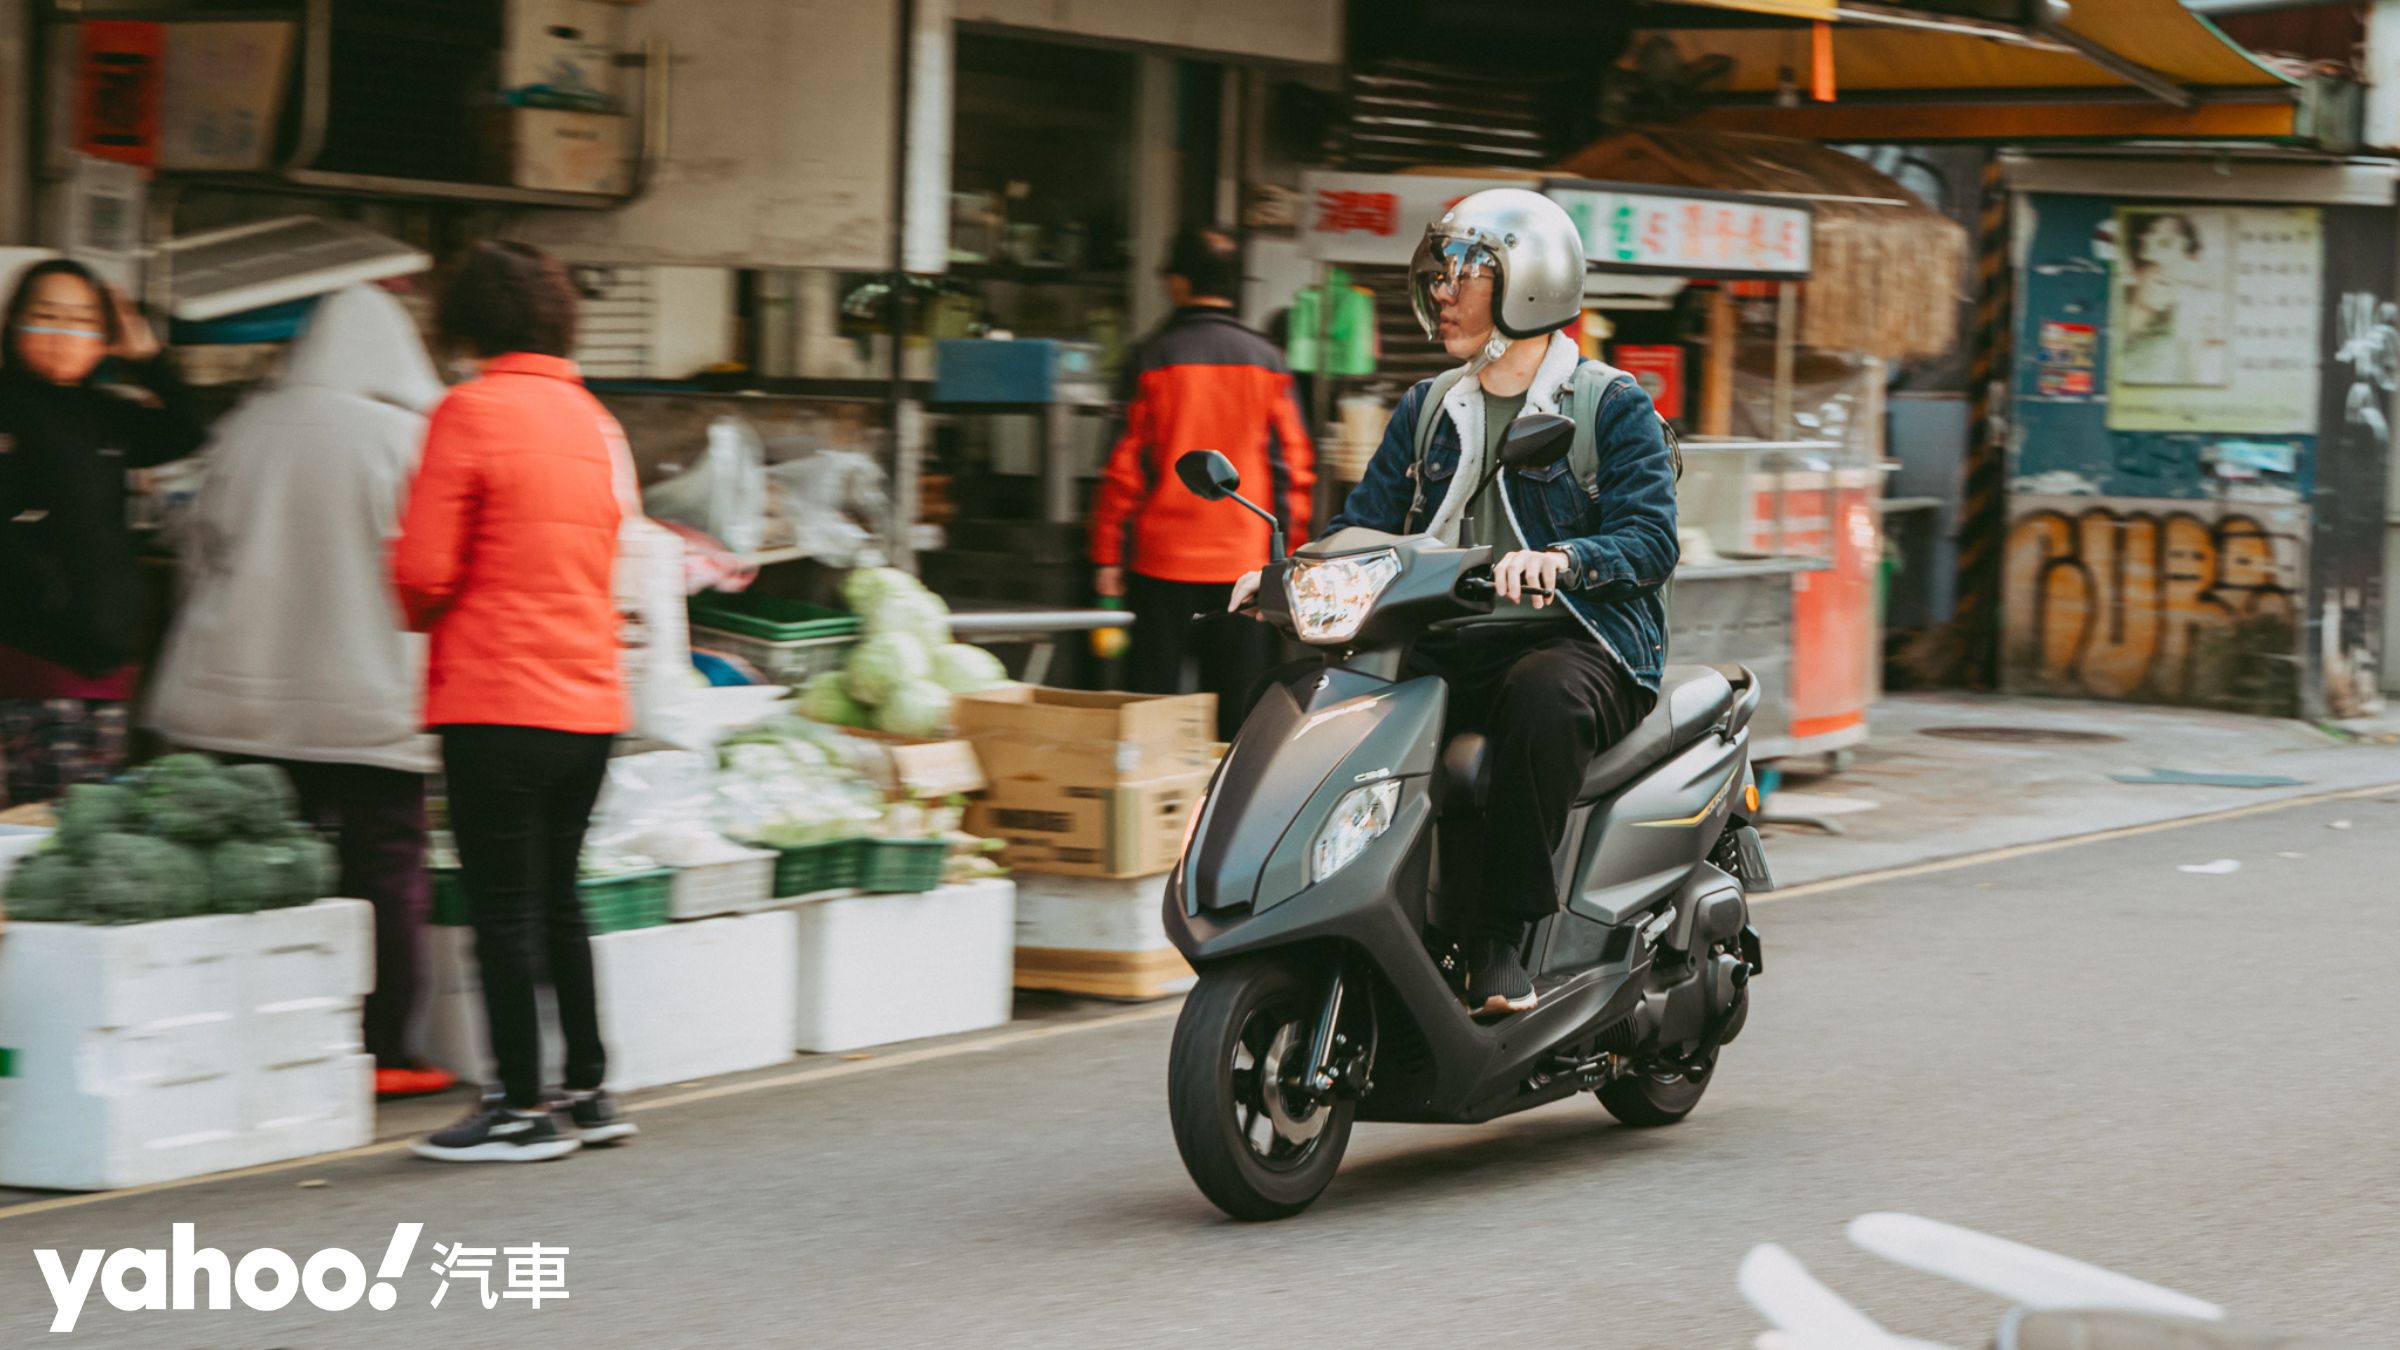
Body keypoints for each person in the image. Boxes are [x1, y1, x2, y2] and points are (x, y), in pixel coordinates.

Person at [1232, 189, 1678, 1017]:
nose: (1443, 291)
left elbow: (1651, 542)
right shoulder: (1430, 406)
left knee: (1538, 699)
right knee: (1316, 699)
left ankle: (1501, 939)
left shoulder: (1609, 405)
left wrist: (1563, 561)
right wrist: (1288, 578)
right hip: (1446, 636)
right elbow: (1362, 526)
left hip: (1581, 641)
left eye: (1468, 273)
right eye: (1442, 272)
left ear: (1531, 284)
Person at [145, 284, 457, 1101]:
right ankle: (384, 1048)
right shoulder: (413, 440)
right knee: (385, 870)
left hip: (237, 703)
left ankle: (240, 1040)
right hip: (370, 703)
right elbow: (435, 568)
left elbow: (195, 545)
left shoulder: (246, 429)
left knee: (248, 875)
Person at [393, 242, 637, 1162]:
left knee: (501, 906)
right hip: (590, 699)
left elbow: (423, 566)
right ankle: (590, 1090)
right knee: (560, 895)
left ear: (467, 323)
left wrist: (416, 602)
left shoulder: (469, 410)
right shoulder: (592, 420)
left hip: (496, 695)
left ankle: (519, 1110)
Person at [1089, 226, 1316, 741]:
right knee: (1238, 721)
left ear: (1177, 282)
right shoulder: (1268, 361)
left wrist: (1107, 557)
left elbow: (1123, 467)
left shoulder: (1150, 357)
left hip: (1160, 564)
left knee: (1148, 716)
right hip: (1246, 569)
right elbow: (1294, 466)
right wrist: (1289, 556)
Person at [0, 260, 205, 805]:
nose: (64, 333)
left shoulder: (105, 414)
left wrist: (148, 357)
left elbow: (188, 429)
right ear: (13, 323)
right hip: (31, 665)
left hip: (106, 669)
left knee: (87, 840)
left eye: (82, 319)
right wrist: (46, 593)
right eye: (46, 315)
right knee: (32, 839)